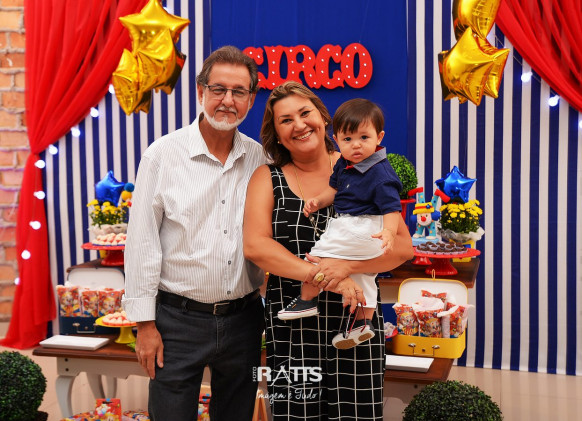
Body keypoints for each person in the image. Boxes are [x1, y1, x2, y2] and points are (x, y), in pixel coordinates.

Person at [243, 81, 414, 420]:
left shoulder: (366, 167)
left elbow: (402, 248)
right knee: (296, 413)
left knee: (357, 414)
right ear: (277, 135)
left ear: (323, 119)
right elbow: (256, 246)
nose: (299, 125)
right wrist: (324, 276)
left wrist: (347, 268)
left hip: (356, 321)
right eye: (286, 120)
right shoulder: (267, 177)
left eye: (305, 113)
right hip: (293, 326)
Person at [122, 46, 267, 421]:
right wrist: (144, 325)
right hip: (176, 322)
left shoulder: (260, 159)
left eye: (238, 92)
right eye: (219, 89)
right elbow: (141, 244)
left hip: (244, 320)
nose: (227, 101)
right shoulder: (162, 156)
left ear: (251, 100)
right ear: (200, 91)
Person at [277, 98, 403, 350]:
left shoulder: (380, 172)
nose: (356, 145)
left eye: (364, 138)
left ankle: (307, 300)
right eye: (348, 139)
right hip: (363, 235)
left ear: (379, 137)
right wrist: (317, 202)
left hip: (360, 228)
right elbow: (333, 191)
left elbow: (392, 208)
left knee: (317, 258)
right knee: (365, 275)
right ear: (336, 140)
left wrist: (389, 232)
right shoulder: (345, 165)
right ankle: (362, 324)